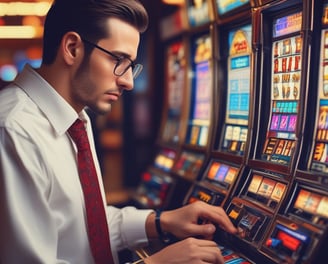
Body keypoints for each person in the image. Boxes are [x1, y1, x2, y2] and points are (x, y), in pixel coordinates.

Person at [0, 0, 238, 263]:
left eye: (131, 65)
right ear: (72, 48)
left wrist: (161, 221)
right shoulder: (12, 130)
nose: (128, 81)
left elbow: (84, 229)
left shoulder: (74, 118)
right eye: (118, 60)